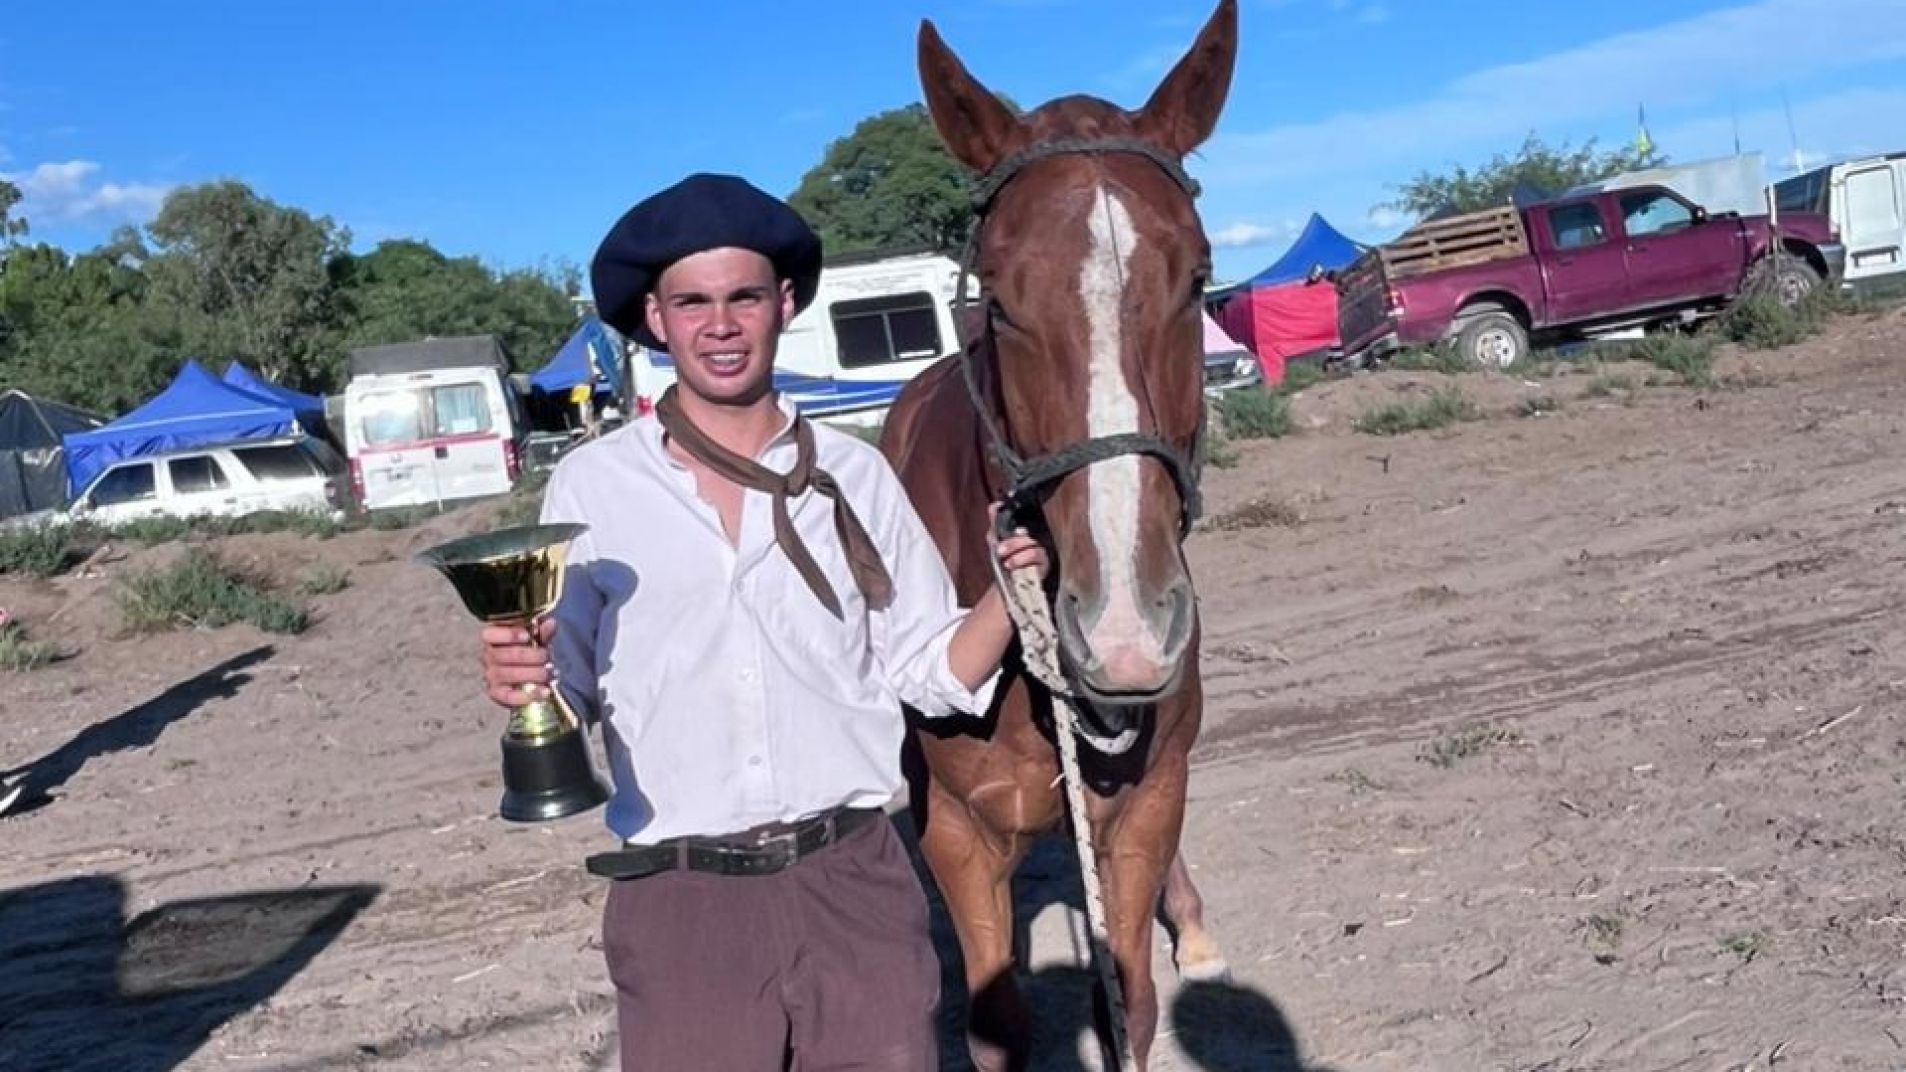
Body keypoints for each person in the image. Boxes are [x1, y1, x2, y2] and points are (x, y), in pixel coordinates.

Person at [477, 173, 1046, 1071]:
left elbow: (931, 669)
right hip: (681, 901)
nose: (721, 325)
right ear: (656, 320)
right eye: (692, 302)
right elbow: (570, 686)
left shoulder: (856, 478)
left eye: (744, 297)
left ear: (784, 304)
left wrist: (1013, 594)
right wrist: (525, 677)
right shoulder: (593, 489)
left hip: (854, 880)